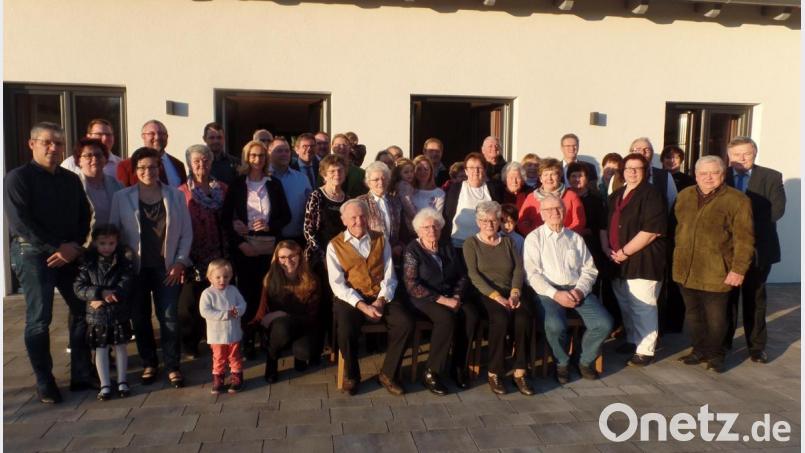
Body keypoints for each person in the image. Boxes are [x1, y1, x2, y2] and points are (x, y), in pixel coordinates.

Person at [5, 122, 94, 403]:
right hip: (33, 254)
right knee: (39, 318)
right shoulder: (18, 178)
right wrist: (57, 247)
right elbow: (21, 223)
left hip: (69, 253)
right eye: (47, 142)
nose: (53, 148)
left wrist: (75, 246)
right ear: (32, 144)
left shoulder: (71, 179)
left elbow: (84, 215)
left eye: (58, 143)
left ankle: (82, 372)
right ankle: (45, 381)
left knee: (82, 309)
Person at [110, 146, 193, 388]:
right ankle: (149, 363)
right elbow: (114, 233)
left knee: (169, 318)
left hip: (167, 269)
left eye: (153, 167)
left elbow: (186, 233)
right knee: (140, 318)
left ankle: (172, 365)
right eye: (143, 167)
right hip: (135, 270)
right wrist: (120, 264)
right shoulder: (121, 197)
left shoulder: (175, 196)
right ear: (135, 170)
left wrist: (180, 261)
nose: (148, 171)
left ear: (159, 168)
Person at [673, 155, 754, 372]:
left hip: (717, 271)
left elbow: (744, 240)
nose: (708, 177)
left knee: (716, 318)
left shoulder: (737, 200)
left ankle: (716, 354)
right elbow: (676, 229)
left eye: (714, 173)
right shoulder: (684, 196)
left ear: (723, 174)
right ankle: (699, 349)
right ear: (696, 175)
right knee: (694, 315)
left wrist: (738, 270)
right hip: (686, 269)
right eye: (703, 173)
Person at [327, 199, 414, 396]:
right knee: (345, 328)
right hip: (351, 296)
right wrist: (362, 305)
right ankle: (352, 375)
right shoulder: (334, 245)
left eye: (362, 216)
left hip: (380, 293)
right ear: (344, 220)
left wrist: (381, 300)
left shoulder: (380, 239)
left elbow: (390, 275)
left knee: (405, 323)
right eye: (353, 217)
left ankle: (388, 374)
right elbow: (337, 284)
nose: (359, 221)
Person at [524, 194, 612, 383]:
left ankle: (584, 361)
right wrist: (556, 294)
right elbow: (532, 275)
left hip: (576, 289)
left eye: (559, 208)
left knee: (604, 323)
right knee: (555, 326)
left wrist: (580, 290)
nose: (555, 212)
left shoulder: (575, 238)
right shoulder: (534, 238)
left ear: (565, 211)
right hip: (548, 292)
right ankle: (562, 363)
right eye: (549, 209)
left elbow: (589, 269)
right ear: (542, 214)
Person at [222, 140, 290, 358]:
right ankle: (249, 337)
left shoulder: (274, 184)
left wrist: (270, 225)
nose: (257, 160)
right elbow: (225, 219)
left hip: (269, 247)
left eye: (261, 155)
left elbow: (286, 216)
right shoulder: (237, 184)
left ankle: (268, 336)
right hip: (245, 247)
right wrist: (239, 242)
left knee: (270, 292)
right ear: (246, 158)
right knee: (248, 294)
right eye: (253, 155)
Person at [600, 154, 666, 367]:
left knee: (642, 306)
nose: (632, 172)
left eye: (638, 168)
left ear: (646, 171)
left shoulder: (652, 194)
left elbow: (651, 231)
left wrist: (625, 252)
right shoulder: (616, 195)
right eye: (629, 168)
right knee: (626, 304)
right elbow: (604, 225)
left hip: (643, 259)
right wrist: (606, 248)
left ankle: (645, 350)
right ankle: (633, 339)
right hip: (617, 261)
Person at [403, 208, 479, 395]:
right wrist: (444, 300)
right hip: (424, 298)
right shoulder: (412, 250)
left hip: (451, 295)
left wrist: (457, 296)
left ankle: (458, 366)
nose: (432, 230)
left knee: (471, 315)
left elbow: (462, 275)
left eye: (435, 227)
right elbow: (412, 285)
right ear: (418, 231)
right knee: (446, 319)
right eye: (427, 227)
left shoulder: (447, 245)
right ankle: (431, 371)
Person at [724, 137, 786, 363]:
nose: (741, 158)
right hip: (726, 249)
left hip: (759, 249)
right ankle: (724, 343)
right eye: (736, 154)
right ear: (728, 156)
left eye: (746, 154)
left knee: (755, 298)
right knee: (726, 298)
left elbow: (776, 211)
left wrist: (743, 231)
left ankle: (756, 348)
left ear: (755, 154)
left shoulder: (771, 177)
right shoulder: (721, 175)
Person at [463, 201, 534, 396]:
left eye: (493, 220)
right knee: (500, 318)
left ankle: (520, 371)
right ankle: (494, 371)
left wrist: (515, 292)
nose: (489, 224)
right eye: (484, 220)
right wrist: (496, 297)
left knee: (523, 317)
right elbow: (473, 275)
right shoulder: (471, 243)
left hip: (510, 290)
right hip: (485, 293)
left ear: (499, 222)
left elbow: (518, 269)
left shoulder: (508, 242)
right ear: (478, 222)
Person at [177, 144, 229, 357]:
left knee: (219, 298)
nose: (201, 164)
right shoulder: (182, 192)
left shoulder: (223, 188)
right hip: (193, 254)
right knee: (189, 303)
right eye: (197, 161)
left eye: (205, 160)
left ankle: (217, 341)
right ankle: (190, 344)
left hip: (219, 253)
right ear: (190, 164)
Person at [73, 224, 134, 400]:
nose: (107, 247)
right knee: (101, 349)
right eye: (102, 243)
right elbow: (79, 287)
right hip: (97, 315)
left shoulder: (123, 261)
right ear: (95, 243)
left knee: (120, 347)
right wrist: (98, 293)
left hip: (117, 311)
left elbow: (127, 282)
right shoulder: (87, 263)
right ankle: (105, 384)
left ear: (117, 242)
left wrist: (112, 295)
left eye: (111, 243)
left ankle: (122, 381)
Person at [251, 240, 319, 382]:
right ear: (277, 259)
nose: (287, 261)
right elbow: (262, 311)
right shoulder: (270, 279)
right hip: (280, 327)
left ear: (300, 256)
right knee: (282, 327)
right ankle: (272, 358)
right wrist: (253, 325)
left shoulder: (312, 280)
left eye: (292, 256)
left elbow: (312, 317)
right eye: (282, 257)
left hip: (303, 325)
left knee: (304, 352)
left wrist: (283, 314)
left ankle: (298, 354)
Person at [303, 154, 348, 356]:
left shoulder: (348, 198)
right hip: (320, 258)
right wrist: (323, 256)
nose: (336, 174)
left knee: (337, 301)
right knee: (321, 302)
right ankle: (318, 346)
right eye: (332, 171)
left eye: (340, 170)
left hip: (343, 258)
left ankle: (336, 343)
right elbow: (308, 230)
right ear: (324, 174)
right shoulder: (317, 196)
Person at [199, 259, 247, 393]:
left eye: (226, 277)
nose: (222, 280)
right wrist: (225, 314)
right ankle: (218, 379)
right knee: (219, 358)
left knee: (235, 356)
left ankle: (237, 378)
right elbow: (205, 311)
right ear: (210, 277)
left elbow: (243, 304)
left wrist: (238, 310)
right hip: (217, 335)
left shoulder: (233, 290)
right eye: (218, 277)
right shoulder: (207, 293)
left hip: (233, 333)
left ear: (230, 276)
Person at [442, 152, 504, 250]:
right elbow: (448, 214)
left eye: (479, 167)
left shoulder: (493, 188)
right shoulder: (456, 188)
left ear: (484, 170)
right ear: (466, 171)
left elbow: (498, 214)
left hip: (486, 242)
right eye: (471, 168)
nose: (476, 171)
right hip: (459, 242)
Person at [517, 158, 586, 237]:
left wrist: (563, 236)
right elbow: (522, 221)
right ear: (540, 178)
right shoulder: (531, 197)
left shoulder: (571, 196)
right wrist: (535, 236)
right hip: (538, 240)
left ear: (559, 177)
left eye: (553, 174)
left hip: (565, 239)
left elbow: (579, 222)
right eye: (545, 175)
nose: (549, 178)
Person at [117, 120, 187, 187]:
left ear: (167, 136)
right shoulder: (126, 166)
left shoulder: (178, 165)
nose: (157, 137)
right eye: (151, 134)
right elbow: (123, 193)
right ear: (143, 136)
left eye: (161, 133)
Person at [356, 162, 404, 260]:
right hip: (371, 256)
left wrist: (399, 246)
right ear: (368, 182)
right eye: (376, 179)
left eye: (384, 178)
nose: (381, 182)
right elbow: (358, 231)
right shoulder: (360, 202)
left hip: (395, 256)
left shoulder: (395, 201)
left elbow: (402, 229)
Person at [269, 138, 313, 244]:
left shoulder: (302, 179)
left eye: (287, 151)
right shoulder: (262, 178)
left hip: (296, 239)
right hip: (268, 240)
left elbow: (310, 208)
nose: (284, 154)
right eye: (279, 151)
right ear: (269, 152)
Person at [74, 138, 124, 228]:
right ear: (79, 161)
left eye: (98, 155)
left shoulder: (117, 185)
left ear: (105, 159)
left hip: (113, 235)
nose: (94, 158)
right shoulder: (73, 186)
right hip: (85, 236)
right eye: (88, 155)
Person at [625, 137, 677, 210]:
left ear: (652, 154)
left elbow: (672, 202)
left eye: (647, 150)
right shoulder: (618, 177)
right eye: (638, 149)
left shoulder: (665, 176)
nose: (643, 153)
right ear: (631, 153)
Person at [331, 133, 367, 198]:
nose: (341, 147)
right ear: (332, 147)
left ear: (350, 147)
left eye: (344, 145)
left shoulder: (361, 173)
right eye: (337, 145)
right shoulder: (325, 169)